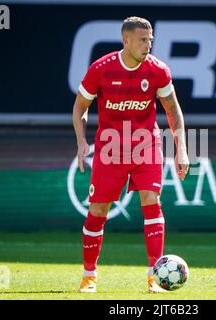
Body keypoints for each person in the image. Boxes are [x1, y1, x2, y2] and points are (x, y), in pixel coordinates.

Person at [72, 16, 189, 293]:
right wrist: (81, 141)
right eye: (142, 40)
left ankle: (153, 276)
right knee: (98, 209)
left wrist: (181, 149)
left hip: (145, 145)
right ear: (126, 40)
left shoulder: (158, 71)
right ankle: (89, 275)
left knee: (151, 200)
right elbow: (79, 108)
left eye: (150, 40)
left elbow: (173, 113)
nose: (148, 45)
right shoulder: (101, 69)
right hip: (110, 148)